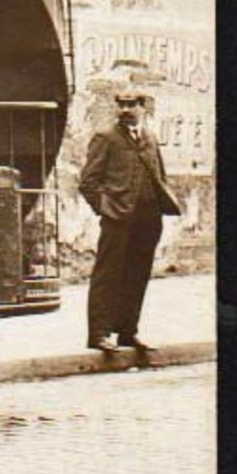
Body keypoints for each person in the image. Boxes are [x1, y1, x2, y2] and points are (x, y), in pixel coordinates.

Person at [78, 85, 181, 355]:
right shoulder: (106, 137)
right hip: (118, 219)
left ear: (142, 107)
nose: (125, 110)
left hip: (148, 218)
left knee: (137, 275)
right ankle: (98, 334)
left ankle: (127, 332)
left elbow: (161, 176)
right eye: (121, 105)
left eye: (131, 104)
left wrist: (160, 206)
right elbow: (88, 182)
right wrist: (106, 209)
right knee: (107, 275)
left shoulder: (150, 137)